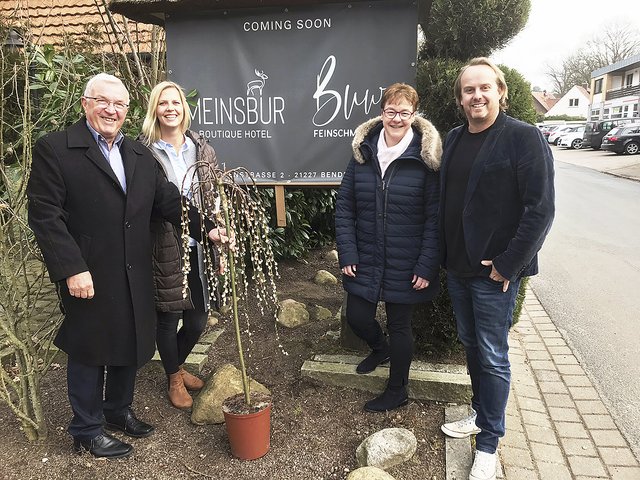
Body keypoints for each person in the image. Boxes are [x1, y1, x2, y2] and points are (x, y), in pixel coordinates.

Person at [27, 73, 229, 459]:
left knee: (131, 341)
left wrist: (208, 229)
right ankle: (86, 430)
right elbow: (45, 215)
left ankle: (117, 411)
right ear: (85, 104)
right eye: (102, 101)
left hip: (135, 267)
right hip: (87, 271)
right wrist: (71, 267)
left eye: (119, 104)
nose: (111, 110)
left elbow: (168, 201)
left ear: (126, 111)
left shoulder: (137, 154)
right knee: (89, 347)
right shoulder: (56, 149)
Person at [438, 58, 555, 480]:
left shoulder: (523, 138)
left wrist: (508, 265)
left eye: (485, 88)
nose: (477, 96)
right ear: (460, 98)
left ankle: (488, 443)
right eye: (469, 90)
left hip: (494, 275)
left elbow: (540, 210)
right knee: (471, 347)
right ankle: (479, 412)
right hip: (457, 268)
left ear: (500, 91)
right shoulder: (453, 138)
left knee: (492, 355)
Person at [335, 83, 442, 412]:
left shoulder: (427, 159)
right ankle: (378, 348)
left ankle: (398, 390)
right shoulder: (363, 153)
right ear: (381, 113)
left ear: (414, 115)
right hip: (365, 253)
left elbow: (435, 218)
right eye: (390, 111)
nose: (397, 118)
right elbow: (345, 208)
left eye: (404, 113)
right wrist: (348, 252)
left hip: (406, 260)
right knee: (357, 316)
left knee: (400, 326)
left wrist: (426, 264)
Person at [139, 81, 220, 410]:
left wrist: (216, 232)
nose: (170, 108)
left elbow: (212, 195)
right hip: (164, 243)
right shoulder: (143, 152)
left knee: (199, 318)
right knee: (169, 316)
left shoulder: (202, 148)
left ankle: (176, 364)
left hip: (200, 243)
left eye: (175, 102)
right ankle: (174, 377)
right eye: (163, 103)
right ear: (154, 110)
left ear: (184, 109)